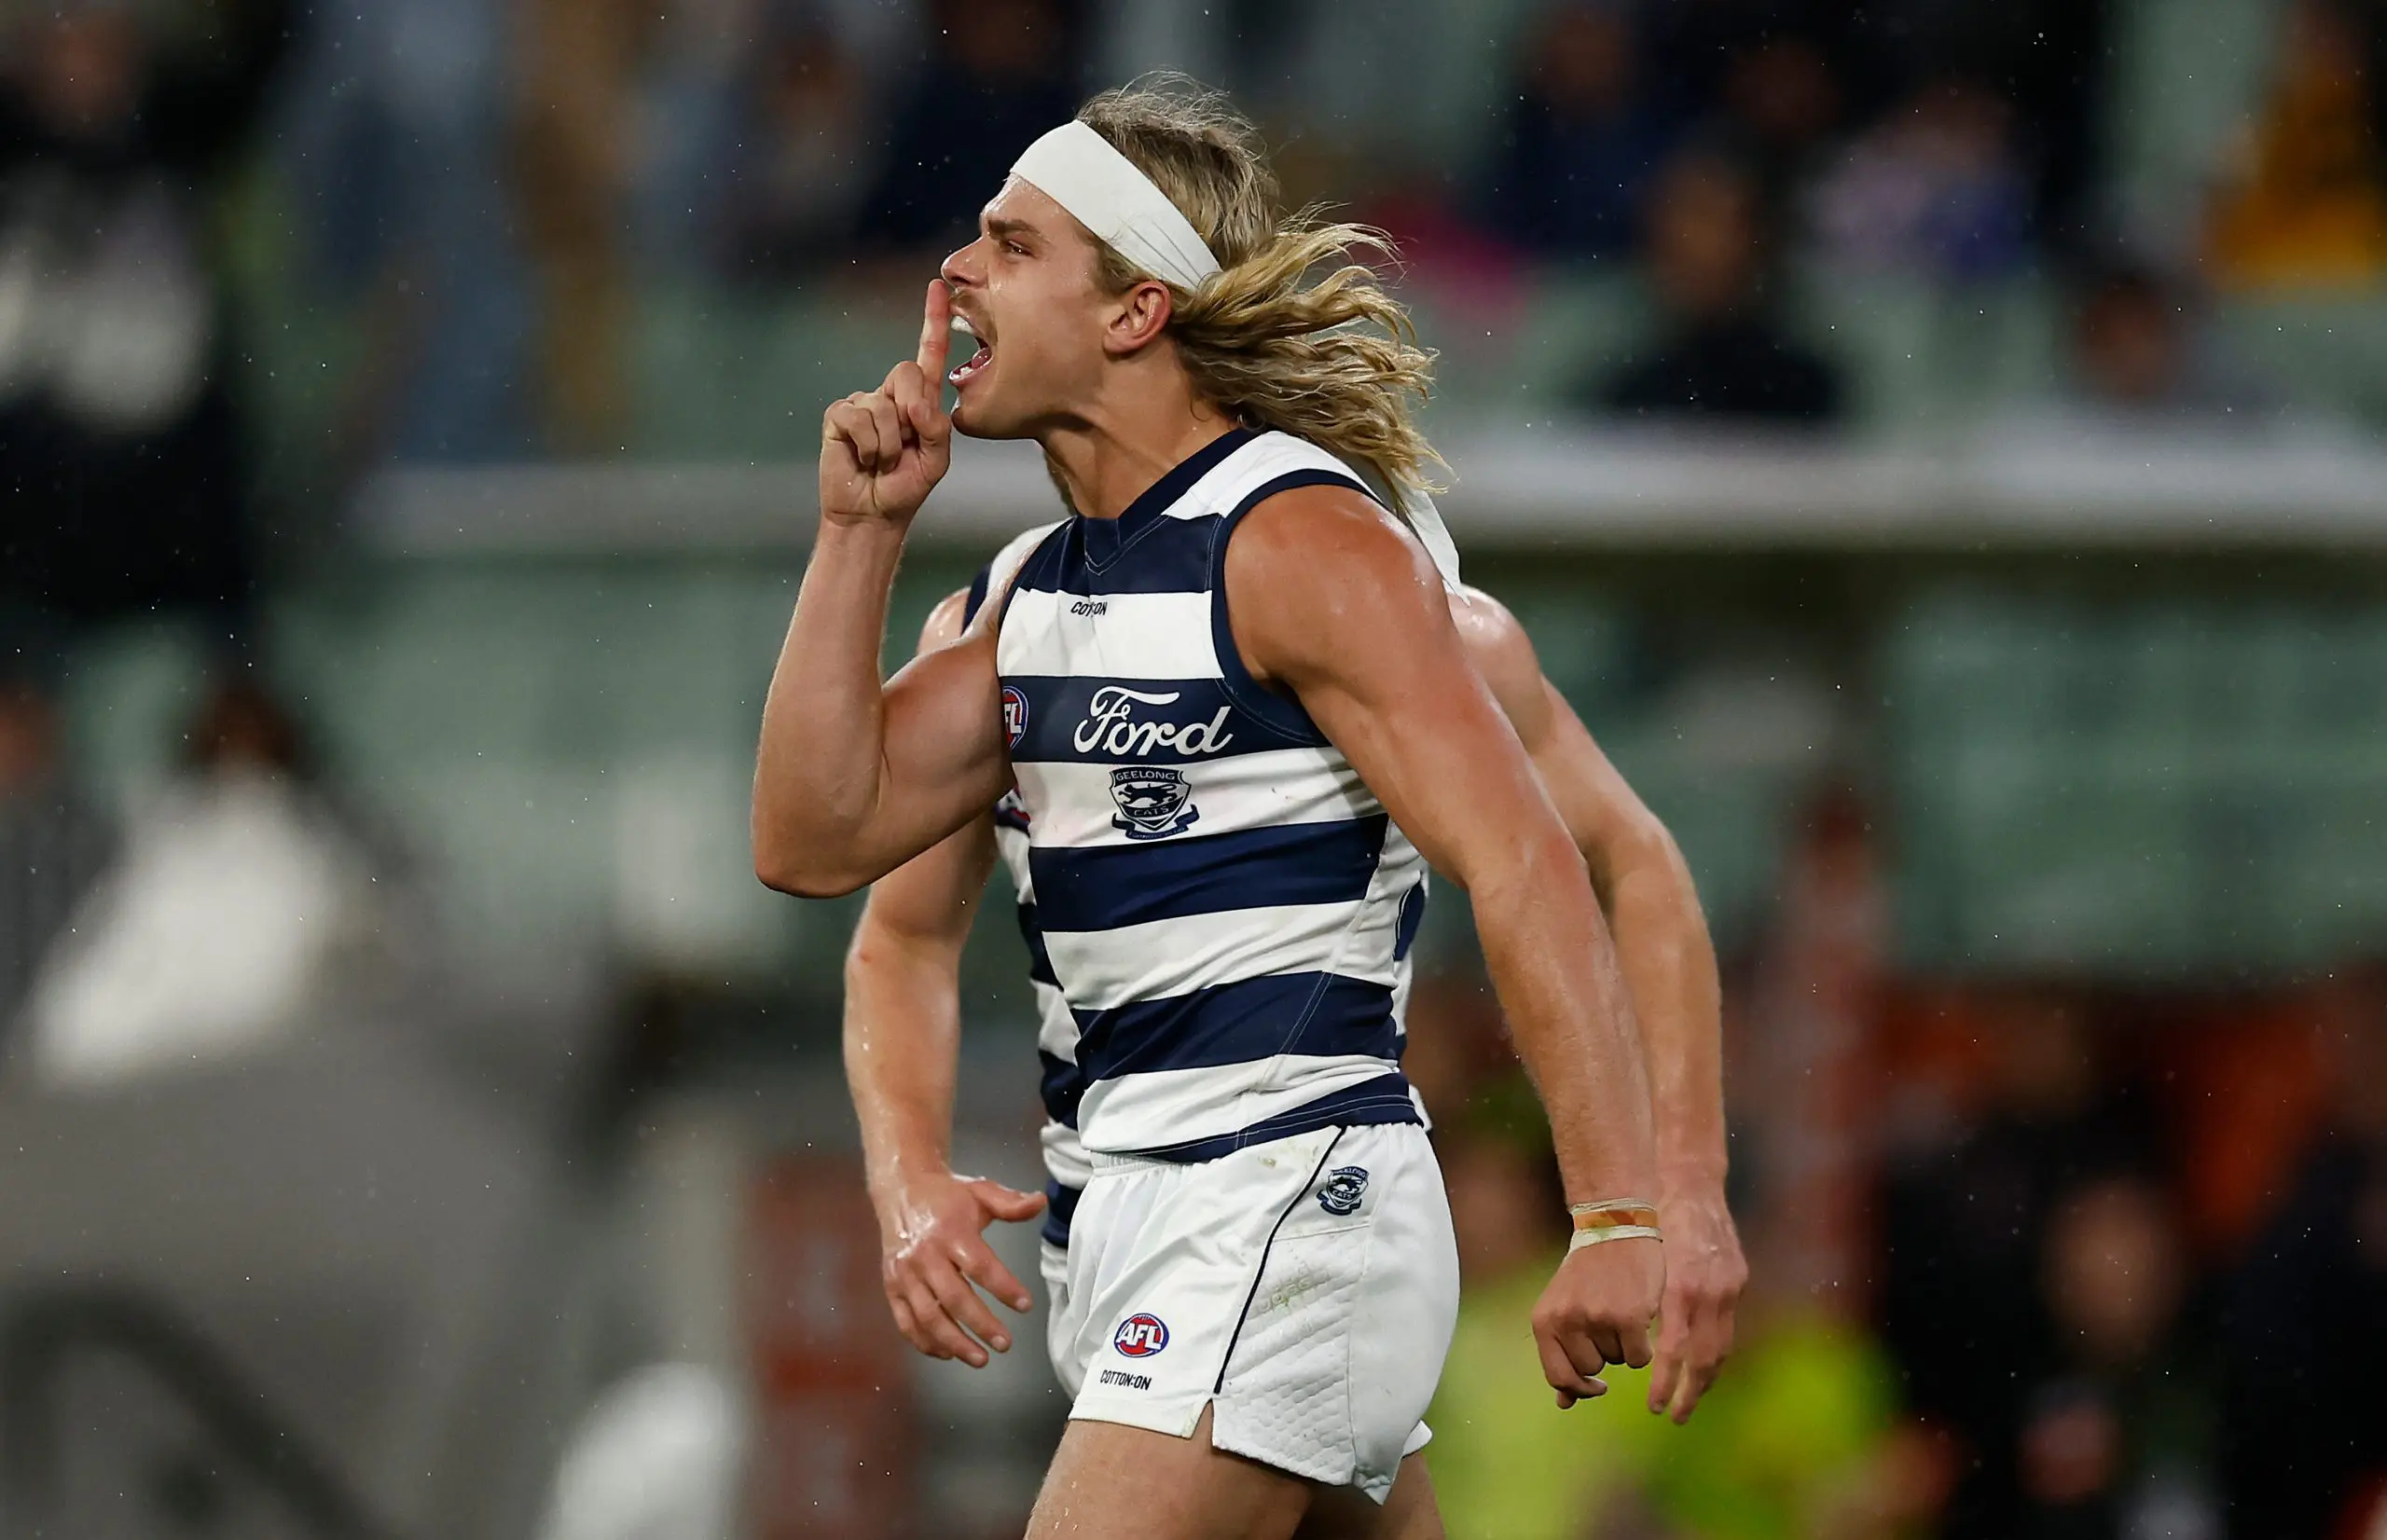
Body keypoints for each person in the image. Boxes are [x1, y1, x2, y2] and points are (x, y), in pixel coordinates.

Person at [753, 77, 1664, 1537]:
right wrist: (856, 539)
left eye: (1014, 242)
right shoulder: (1013, 607)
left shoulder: (1298, 540)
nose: (957, 274)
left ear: (1134, 310)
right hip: (1122, 1220)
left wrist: (1620, 1212)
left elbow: (1528, 867)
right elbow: (811, 845)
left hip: (1289, 1191)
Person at [840, 557, 1744, 1431]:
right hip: (1104, 1234)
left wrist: (1676, 1189)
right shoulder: (1002, 628)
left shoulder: (1402, 625)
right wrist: (905, 1171)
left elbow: (1627, 860)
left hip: (1288, 1220)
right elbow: (902, 934)